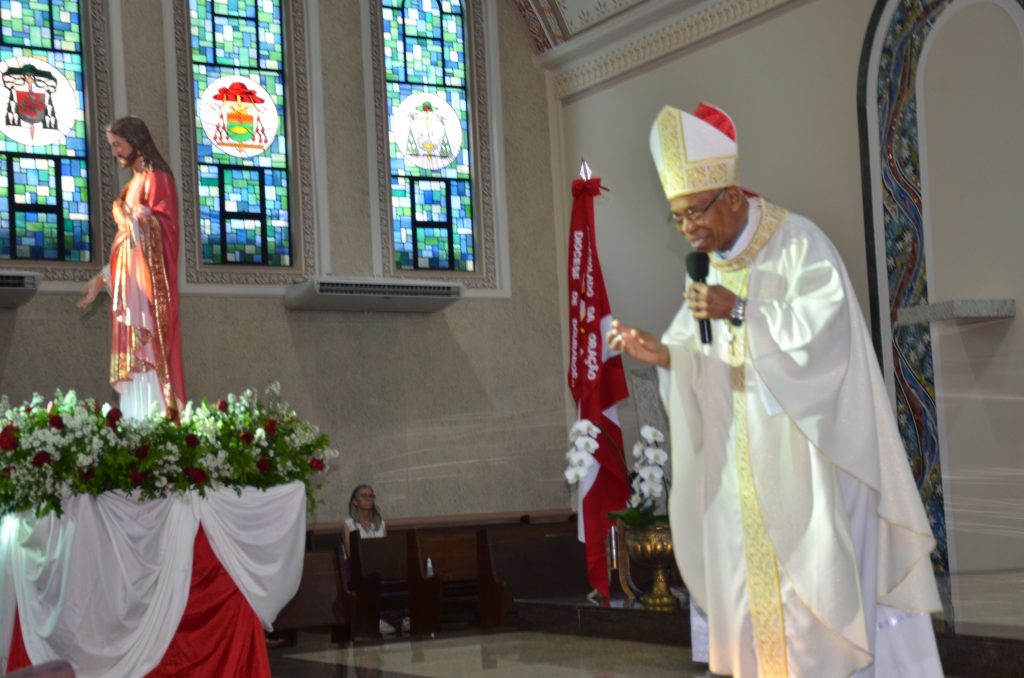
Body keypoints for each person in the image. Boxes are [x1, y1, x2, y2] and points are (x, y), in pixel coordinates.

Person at [607, 103, 943, 677]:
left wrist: (740, 309)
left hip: (813, 469)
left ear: (732, 196)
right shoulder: (708, 269)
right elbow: (707, 362)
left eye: (695, 213)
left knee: (816, 614)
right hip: (745, 477)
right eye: (678, 218)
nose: (689, 230)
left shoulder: (800, 244)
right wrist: (663, 354)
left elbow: (825, 340)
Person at [77, 117, 185, 420]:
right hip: (129, 289)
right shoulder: (130, 187)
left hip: (149, 295)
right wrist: (102, 278)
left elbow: (166, 230)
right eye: (111, 146)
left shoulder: (158, 178)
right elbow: (125, 243)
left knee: (148, 356)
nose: (115, 152)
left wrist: (138, 219)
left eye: (118, 144)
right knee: (135, 367)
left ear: (136, 141)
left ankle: (156, 425)